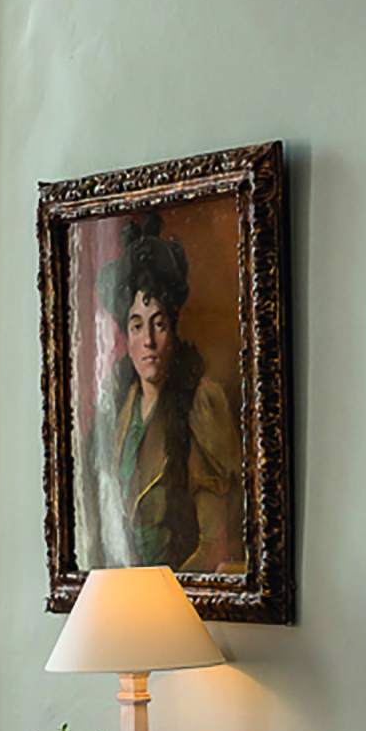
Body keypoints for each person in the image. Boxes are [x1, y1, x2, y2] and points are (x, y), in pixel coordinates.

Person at [78, 225, 244, 574]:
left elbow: (215, 546)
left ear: (173, 329)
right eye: (137, 326)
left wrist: (164, 595)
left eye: (159, 324)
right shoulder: (119, 410)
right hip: (122, 592)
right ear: (127, 336)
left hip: (178, 594)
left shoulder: (201, 404)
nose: (149, 341)